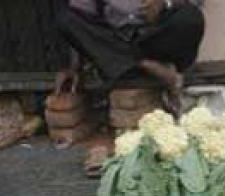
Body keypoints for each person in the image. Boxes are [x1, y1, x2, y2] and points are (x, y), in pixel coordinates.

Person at [56, 0, 206, 112]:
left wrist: (165, 3)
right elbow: (80, 16)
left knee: (191, 17)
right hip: (115, 39)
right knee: (66, 18)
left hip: (157, 37)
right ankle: (147, 65)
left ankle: (136, 63)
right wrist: (74, 67)